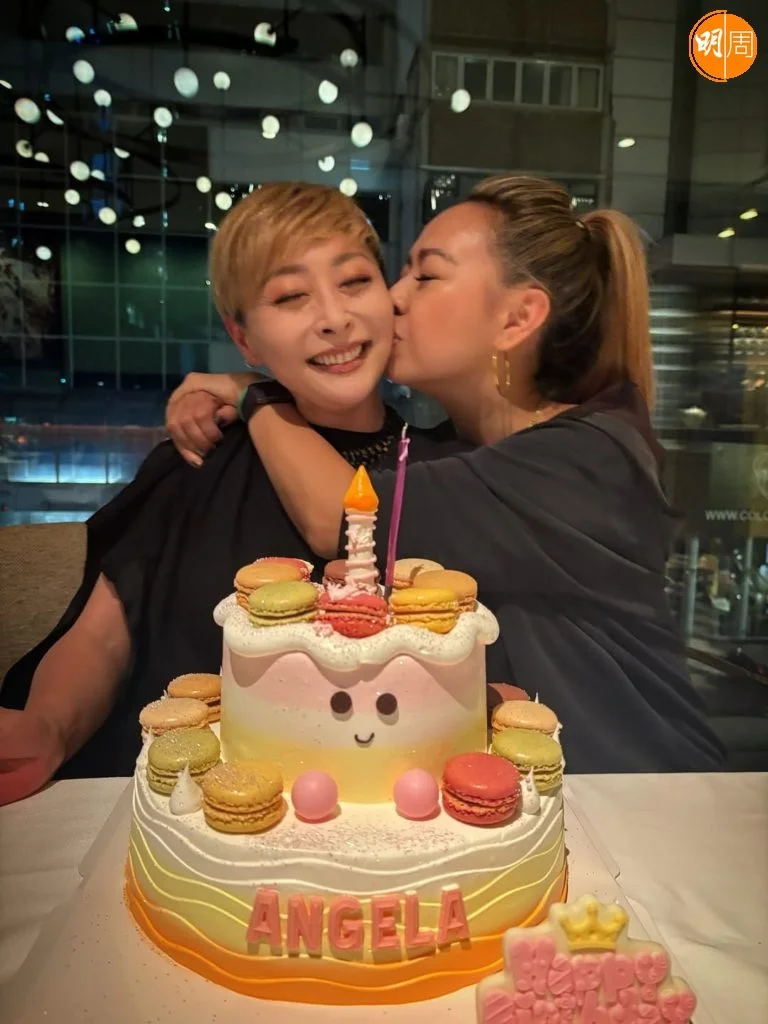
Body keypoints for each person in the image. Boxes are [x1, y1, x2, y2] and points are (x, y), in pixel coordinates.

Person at [166, 175, 725, 773]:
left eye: (426, 276)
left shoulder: (583, 458)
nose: (393, 297)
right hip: (539, 795)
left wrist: (256, 394)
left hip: (647, 794)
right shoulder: (450, 449)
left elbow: (343, 516)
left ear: (517, 318)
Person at [0, 183, 458, 805]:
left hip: (391, 817)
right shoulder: (200, 459)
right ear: (244, 339)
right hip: (198, 816)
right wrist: (49, 727)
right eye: (291, 296)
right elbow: (105, 634)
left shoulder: (442, 471)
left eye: (355, 281)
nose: (333, 317)